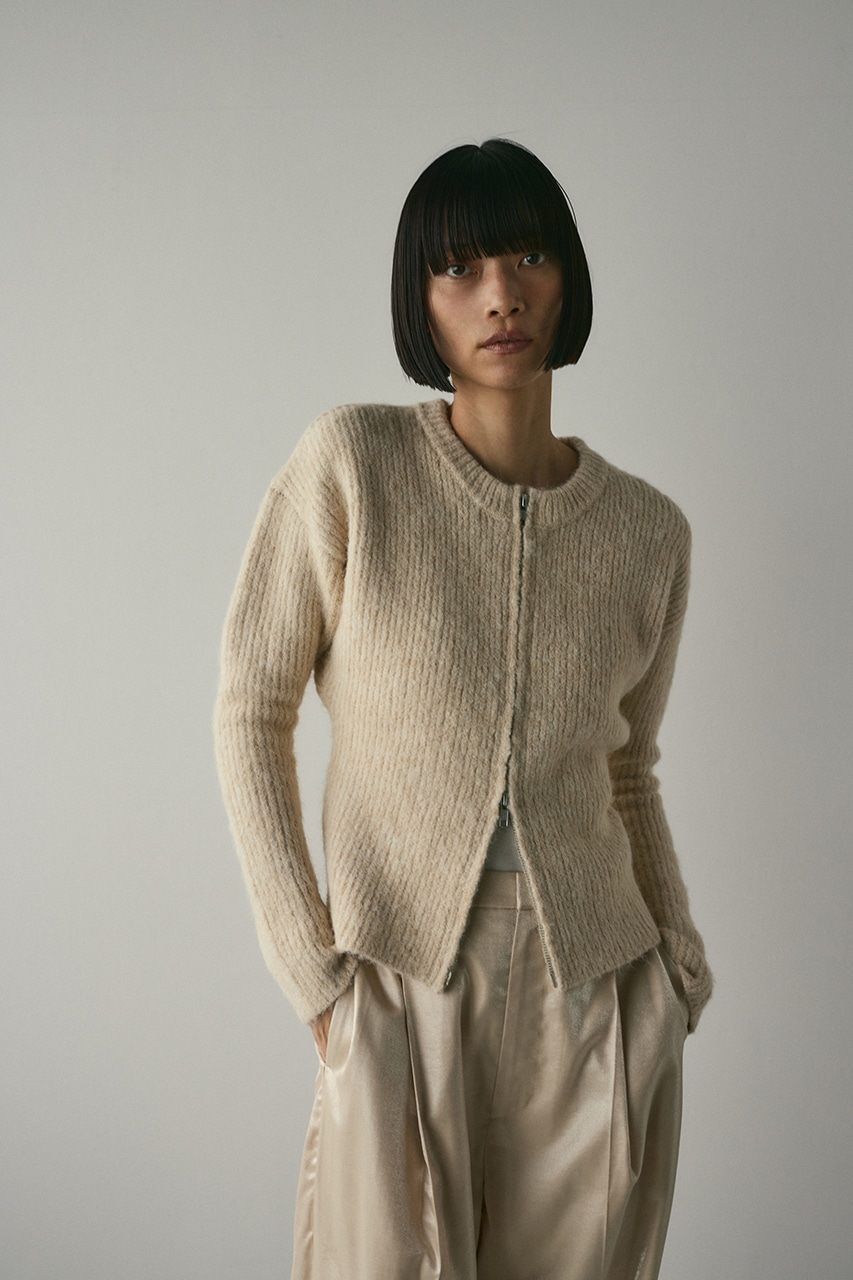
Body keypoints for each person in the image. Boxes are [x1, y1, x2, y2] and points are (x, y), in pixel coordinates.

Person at [214, 138, 712, 1280]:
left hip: (594, 982)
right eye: (459, 268)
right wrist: (315, 975)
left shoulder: (647, 533)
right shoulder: (352, 466)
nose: (500, 294)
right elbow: (249, 709)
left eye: (528, 255)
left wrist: (674, 969)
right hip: (398, 969)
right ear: (421, 301)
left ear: (566, 277)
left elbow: (628, 767)